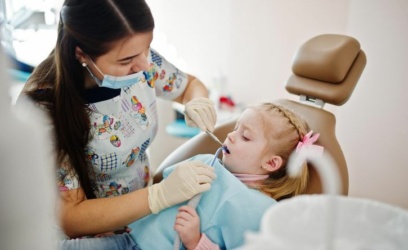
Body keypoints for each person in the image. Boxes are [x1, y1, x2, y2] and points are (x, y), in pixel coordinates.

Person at [17, 0, 218, 249]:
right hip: (88, 237)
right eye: (126, 61)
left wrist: (198, 100)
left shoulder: (141, 59)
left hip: (142, 220)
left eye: (147, 49)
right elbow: (70, 216)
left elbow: (188, 85)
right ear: (81, 54)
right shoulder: (44, 108)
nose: (145, 66)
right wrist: (159, 195)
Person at [129, 102, 323, 249]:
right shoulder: (206, 162)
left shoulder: (260, 211)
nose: (230, 135)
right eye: (235, 128)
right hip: (128, 236)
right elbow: (156, 196)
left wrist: (196, 241)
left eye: (245, 136)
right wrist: (124, 222)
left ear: (271, 163)